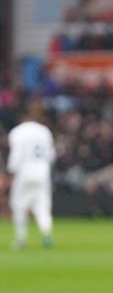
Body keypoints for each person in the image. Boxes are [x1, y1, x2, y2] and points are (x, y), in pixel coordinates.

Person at [5, 103, 57, 251]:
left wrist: (10, 173)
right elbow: (51, 156)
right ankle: (46, 233)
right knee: (43, 205)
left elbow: (16, 156)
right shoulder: (44, 131)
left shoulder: (17, 132)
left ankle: (21, 239)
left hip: (24, 172)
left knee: (18, 205)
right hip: (42, 172)